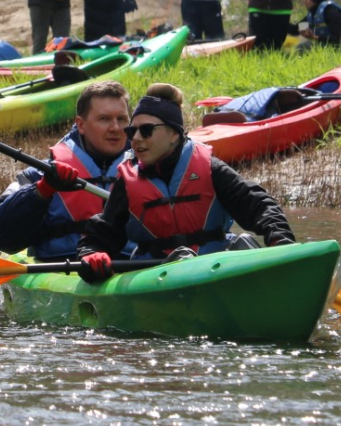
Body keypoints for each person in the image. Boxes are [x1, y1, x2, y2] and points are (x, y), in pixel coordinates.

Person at [76, 83, 295, 280]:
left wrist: (280, 238)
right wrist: (91, 254)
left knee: (244, 242)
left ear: (174, 135)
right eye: (132, 131)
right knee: (182, 257)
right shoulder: (128, 183)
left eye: (146, 130)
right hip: (157, 276)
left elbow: (259, 205)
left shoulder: (211, 169)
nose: (136, 139)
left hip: (218, 271)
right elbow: (102, 234)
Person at [0, 80, 140, 261]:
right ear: (81, 125)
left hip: (130, 266)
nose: (115, 128)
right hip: (61, 265)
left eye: (121, 119)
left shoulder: (147, 171)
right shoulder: (40, 174)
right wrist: (42, 191)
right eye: (104, 119)